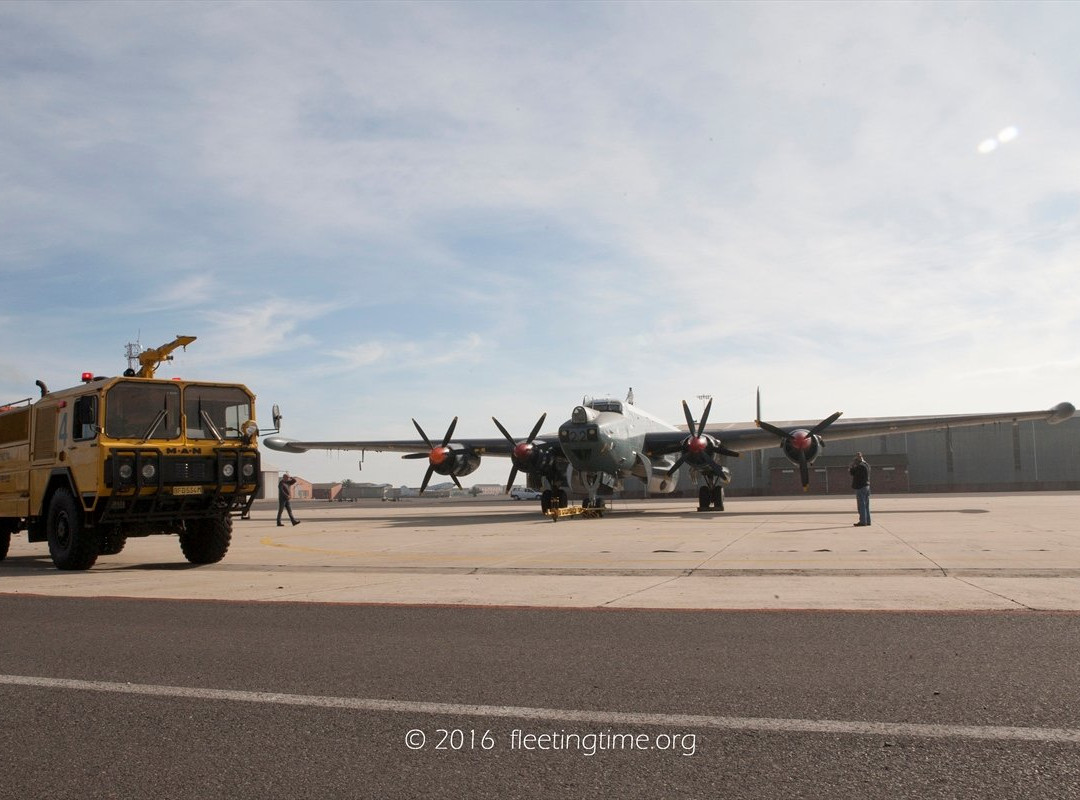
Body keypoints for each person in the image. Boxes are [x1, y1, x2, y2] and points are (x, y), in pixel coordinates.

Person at [849, 452, 871, 527]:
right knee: (866, 505)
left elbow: (853, 473)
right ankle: (868, 520)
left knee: (861, 505)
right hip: (867, 486)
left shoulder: (860, 467)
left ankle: (862, 521)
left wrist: (852, 467)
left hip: (860, 487)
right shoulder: (867, 465)